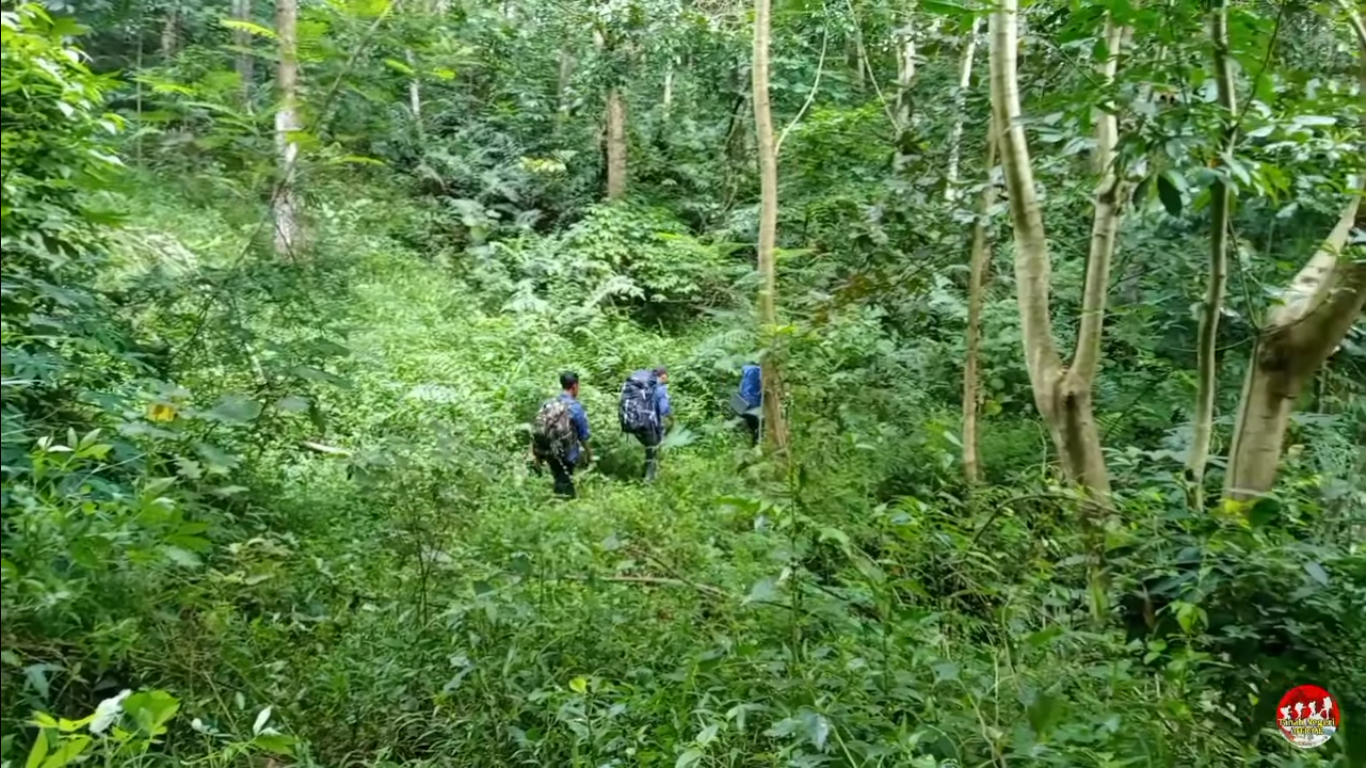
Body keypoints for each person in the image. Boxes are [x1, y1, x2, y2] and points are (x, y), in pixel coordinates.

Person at [531, 371, 591, 498]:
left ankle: (560, 501)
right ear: (575, 386)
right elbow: (583, 435)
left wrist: (536, 453)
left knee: (559, 476)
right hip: (567, 452)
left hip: (548, 450)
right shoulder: (575, 407)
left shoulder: (548, 403)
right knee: (565, 479)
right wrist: (589, 454)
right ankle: (564, 504)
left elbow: (539, 427)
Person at [619, 365, 672, 482]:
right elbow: (664, 410)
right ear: (663, 376)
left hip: (632, 421)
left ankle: (646, 473)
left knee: (651, 447)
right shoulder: (659, 388)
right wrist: (672, 419)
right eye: (667, 377)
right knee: (653, 448)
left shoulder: (642, 385)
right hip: (645, 422)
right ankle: (648, 481)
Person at [736, 362, 762, 446]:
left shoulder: (747, 372)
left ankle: (754, 443)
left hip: (739, 403)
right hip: (749, 404)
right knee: (758, 427)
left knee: (754, 427)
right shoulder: (756, 372)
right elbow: (750, 393)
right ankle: (756, 445)